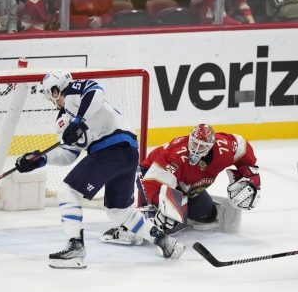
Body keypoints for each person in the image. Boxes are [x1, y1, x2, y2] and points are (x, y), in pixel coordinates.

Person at [14, 70, 185, 269]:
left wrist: (79, 121)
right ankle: (165, 242)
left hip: (111, 149)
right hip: (126, 154)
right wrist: (40, 159)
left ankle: (75, 248)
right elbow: (68, 154)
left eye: (54, 91)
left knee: (68, 191)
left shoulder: (74, 92)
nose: (54, 96)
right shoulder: (63, 121)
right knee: (118, 210)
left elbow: (96, 91)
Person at [102, 124, 261, 244]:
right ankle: (128, 228)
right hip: (151, 173)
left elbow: (243, 148)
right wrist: (164, 206)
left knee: (206, 215)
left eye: (202, 147)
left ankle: (181, 211)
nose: (196, 150)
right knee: (168, 220)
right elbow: (153, 182)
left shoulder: (224, 148)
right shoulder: (176, 155)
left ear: (211, 146)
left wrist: (252, 180)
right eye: (194, 144)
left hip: (188, 185)